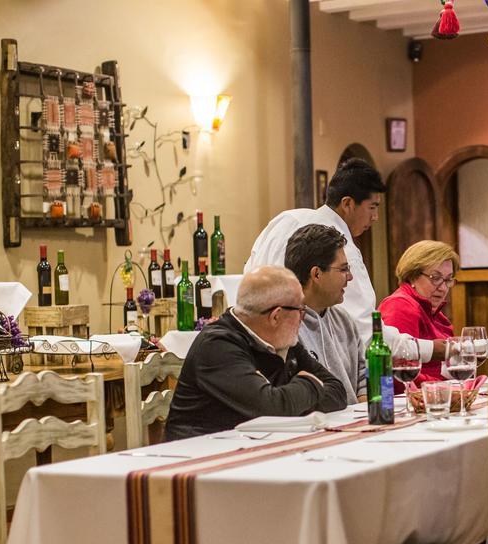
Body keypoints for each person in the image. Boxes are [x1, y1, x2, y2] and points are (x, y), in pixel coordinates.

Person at [165, 266, 347, 440]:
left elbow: (337, 392)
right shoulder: (218, 345)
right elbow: (271, 409)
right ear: (276, 316)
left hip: (249, 447)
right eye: (301, 310)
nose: (303, 317)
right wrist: (310, 383)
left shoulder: (285, 341)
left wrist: (291, 401)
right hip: (198, 457)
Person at [246, 158, 385, 342]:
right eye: (372, 207)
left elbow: (248, 274)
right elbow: (363, 328)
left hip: (254, 335)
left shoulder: (285, 219)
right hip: (304, 343)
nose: (375, 217)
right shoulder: (339, 247)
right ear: (347, 204)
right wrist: (422, 349)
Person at [284, 224, 366, 404]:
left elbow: (363, 380)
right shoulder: (284, 326)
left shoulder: (344, 320)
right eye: (343, 269)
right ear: (317, 274)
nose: (350, 277)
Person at [378, 240, 459, 384]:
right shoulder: (400, 306)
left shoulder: (434, 312)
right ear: (412, 276)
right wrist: (443, 389)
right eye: (435, 278)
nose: (443, 288)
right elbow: (398, 372)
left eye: (448, 280)